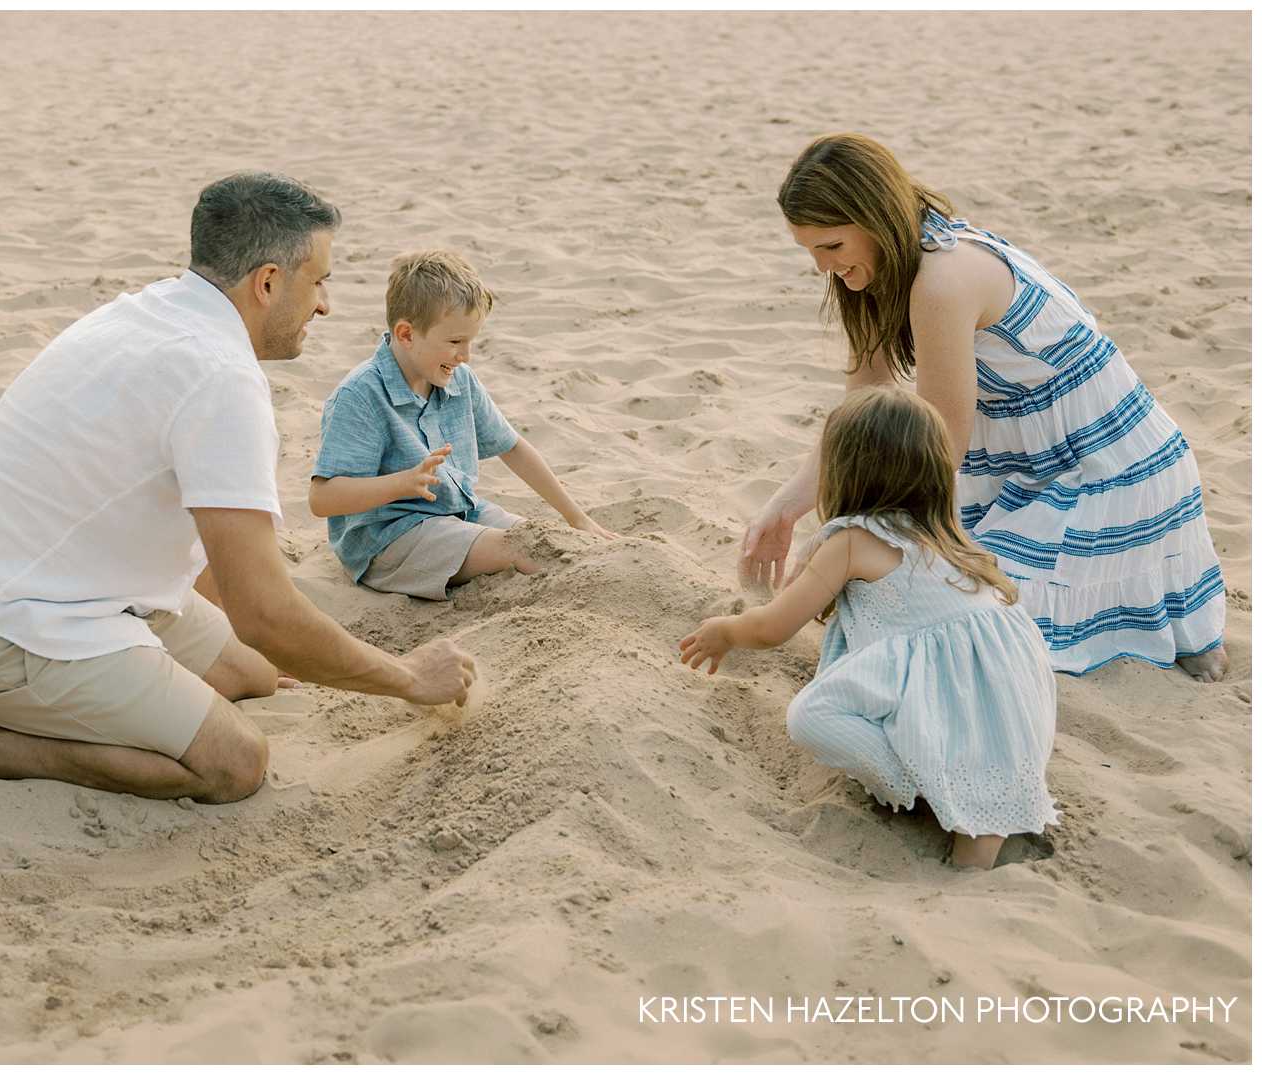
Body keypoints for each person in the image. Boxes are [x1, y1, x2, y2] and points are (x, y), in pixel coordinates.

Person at [0, 173, 476, 804]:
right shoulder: (220, 377)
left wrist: (279, 647)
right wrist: (409, 679)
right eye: (320, 282)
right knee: (234, 763)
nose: (325, 305)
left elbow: (222, 580)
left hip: (22, 587)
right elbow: (264, 612)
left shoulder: (145, 311)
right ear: (268, 283)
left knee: (253, 673)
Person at [742, 133, 1227, 680]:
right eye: (810, 252)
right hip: (1022, 471)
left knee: (953, 616)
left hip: (1106, 473)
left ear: (874, 218)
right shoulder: (884, 272)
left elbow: (939, 445)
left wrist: (847, 537)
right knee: (903, 594)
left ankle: (1166, 625)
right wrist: (787, 507)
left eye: (831, 247)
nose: (823, 268)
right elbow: (862, 414)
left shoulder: (942, 279)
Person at [682, 387, 1058, 869]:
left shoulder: (854, 539)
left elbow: (774, 628)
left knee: (809, 716)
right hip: (1011, 703)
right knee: (975, 834)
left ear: (847, 470)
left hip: (957, 698)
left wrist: (728, 631)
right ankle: (983, 809)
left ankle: (925, 782)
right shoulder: (943, 530)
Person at [308, 250, 616, 600]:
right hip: (387, 539)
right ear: (406, 334)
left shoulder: (458, 379)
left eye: (470, 342)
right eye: (455, 342)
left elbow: (512, 447)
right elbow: (322, 499)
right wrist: (400, 484)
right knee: (523, 552)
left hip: (458, 511)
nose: (466, 356)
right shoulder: (361, 394)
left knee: (545, 539)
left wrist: (576, 518)